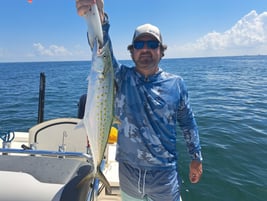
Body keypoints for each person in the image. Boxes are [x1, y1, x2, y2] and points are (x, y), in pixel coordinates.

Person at [76, 1, 203, 201]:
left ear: (161, 51)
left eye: (152, 45)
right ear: (132, 51)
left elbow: (188, 123)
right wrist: (97, 19)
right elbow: (101, 48)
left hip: (164, 177)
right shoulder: (120, 76)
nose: (145, 49)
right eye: (139, 44)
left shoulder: (176, 84)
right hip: (128, 173)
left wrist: (196, 157)